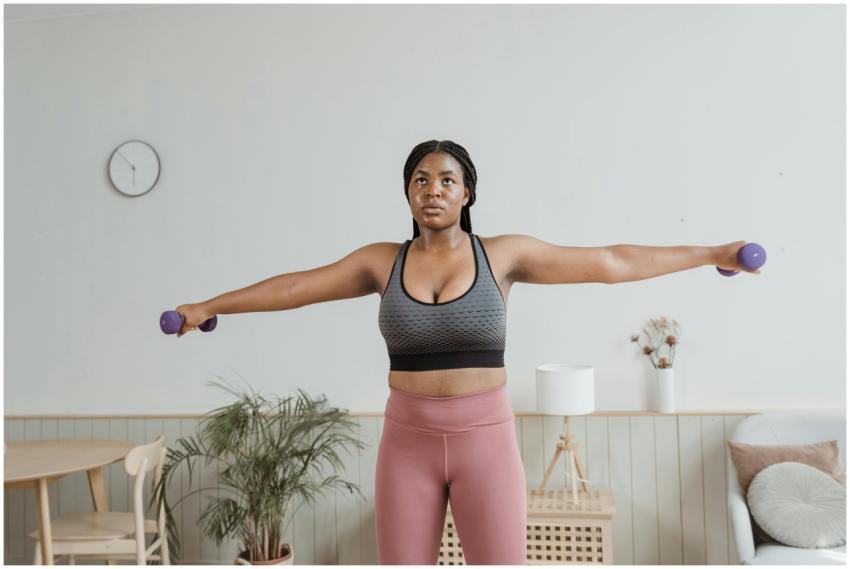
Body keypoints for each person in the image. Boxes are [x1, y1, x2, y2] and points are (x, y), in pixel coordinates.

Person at [172, 139, 759, 565]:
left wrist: (712, 252)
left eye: (446, 179)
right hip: (407, 443)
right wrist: (209, 305)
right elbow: (296, 287)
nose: (433, 189)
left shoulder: (501, 256)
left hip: (486, 440)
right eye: (421, 179)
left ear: (467, 191)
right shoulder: (382, 261)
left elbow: (609, 262)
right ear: (407, 193)